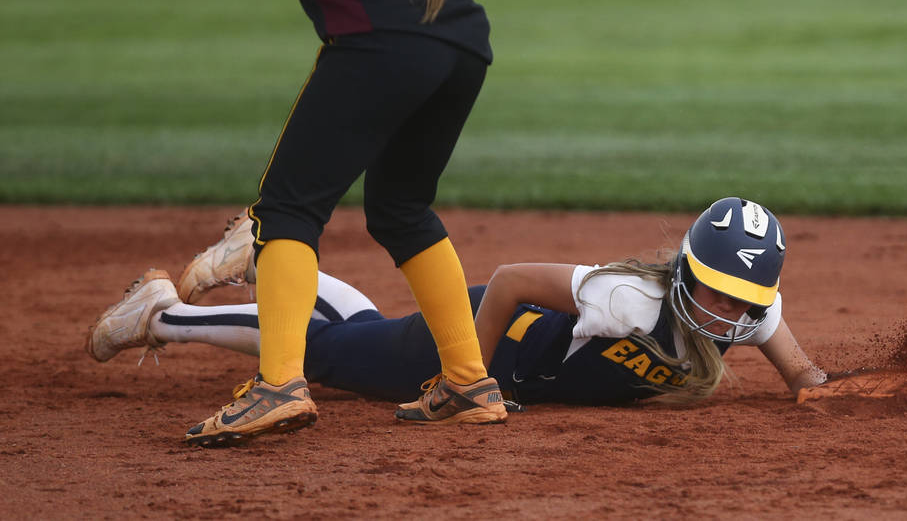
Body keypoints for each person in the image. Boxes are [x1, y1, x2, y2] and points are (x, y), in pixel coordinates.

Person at [118, 0, 506, 443]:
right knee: (402, 209)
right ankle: (467, 379)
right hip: (461, 38)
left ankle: (279, 386)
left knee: (285, 211)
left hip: (377, 45)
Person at [86, 198, 827, 436]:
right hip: (483, 339)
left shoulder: (750, 312)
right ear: (688, 273)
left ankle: (267, 255)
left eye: (744, 299)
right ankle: (164, 313)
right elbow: (508, 280)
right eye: (718, 290)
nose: (729, 311)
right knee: (329, 356)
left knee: (362, 328)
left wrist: (826, 385)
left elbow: (805, 375)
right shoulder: (632, 300)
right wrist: (460, 373)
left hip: (498, 359)